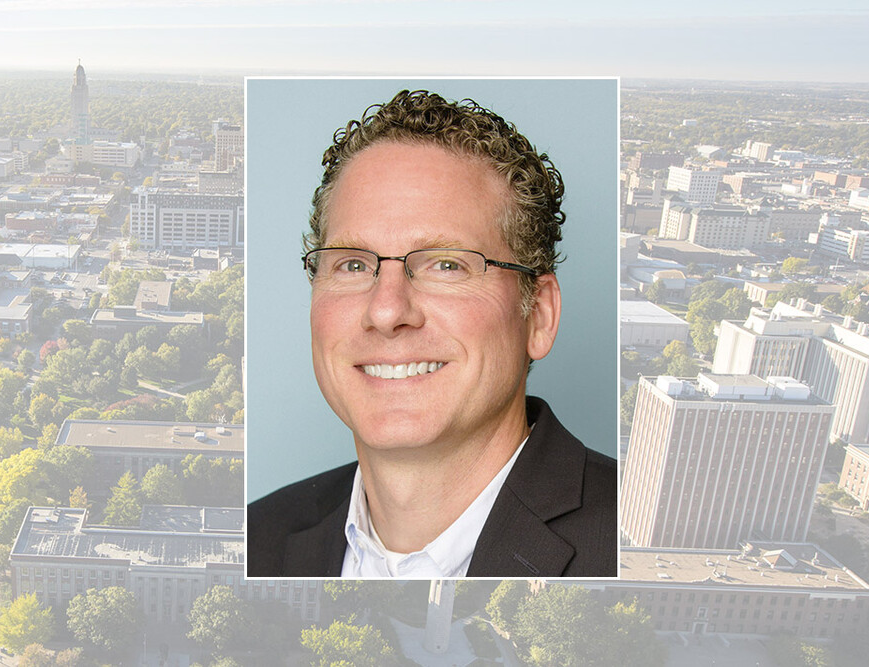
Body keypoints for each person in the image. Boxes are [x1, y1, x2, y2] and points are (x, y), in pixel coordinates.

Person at [247, 90, 616, 578]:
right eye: (353, 264)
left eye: (446, 264)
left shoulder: (630, 547)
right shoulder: (257, 538)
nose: (386, 310)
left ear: (539, 315)